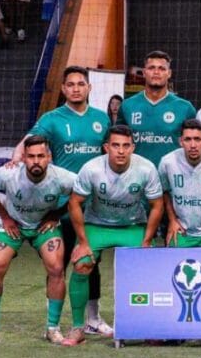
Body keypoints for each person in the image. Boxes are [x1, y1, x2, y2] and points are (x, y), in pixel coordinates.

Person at [12, 65, 112, 337]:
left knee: (91, 262)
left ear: (89, 88)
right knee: (57, 264)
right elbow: (29, 141)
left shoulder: (101, 119)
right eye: (71, 84)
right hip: (61, 207)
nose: (76, 88)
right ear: (63, 89)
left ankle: (93, 319)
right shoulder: (52, 119)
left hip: (92, 207)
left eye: (81, 84)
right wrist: (16, 157)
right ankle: (52, 324)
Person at [62, 125, 163, 346]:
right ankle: (78, 327)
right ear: (106, 147)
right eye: (116, 145)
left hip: (132, 226)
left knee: (147, 268)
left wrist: (147, 240)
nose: (121, 151)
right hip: (97, 225)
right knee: (81, 263)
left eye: (126, 146)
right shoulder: (91, 169)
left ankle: (147, 326)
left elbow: (157, 205)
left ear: (133, 148)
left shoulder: (146, 168)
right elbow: (74, 203)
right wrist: (82, 242)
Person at [0, 136, 76, 345]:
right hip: (13, 223)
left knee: (57, 268)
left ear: (49, 157)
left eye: (41, 156)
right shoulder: (9, 174)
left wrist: (56, 215)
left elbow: (81, 194)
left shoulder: (63, 177)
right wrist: (4, 216)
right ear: (23, 158)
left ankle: (52, 328)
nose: (36, 161)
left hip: (43, 226)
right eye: (31, 156)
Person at [117, 50, 197, 167]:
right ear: (144, 72)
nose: (156, 72)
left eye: (162, 68)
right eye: (151, 68)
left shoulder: (185, 108)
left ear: (169, 73)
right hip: (137, 174)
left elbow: (194, 145)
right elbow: (117, 142)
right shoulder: (127, 106)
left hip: (172, 174)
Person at [158, 119, 201, 247]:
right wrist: (172, 220)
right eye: (188, 139)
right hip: (182, 230)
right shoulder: (167, 162)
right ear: (181, 141)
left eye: (197, 139)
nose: (193, 145)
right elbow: (164, 192)